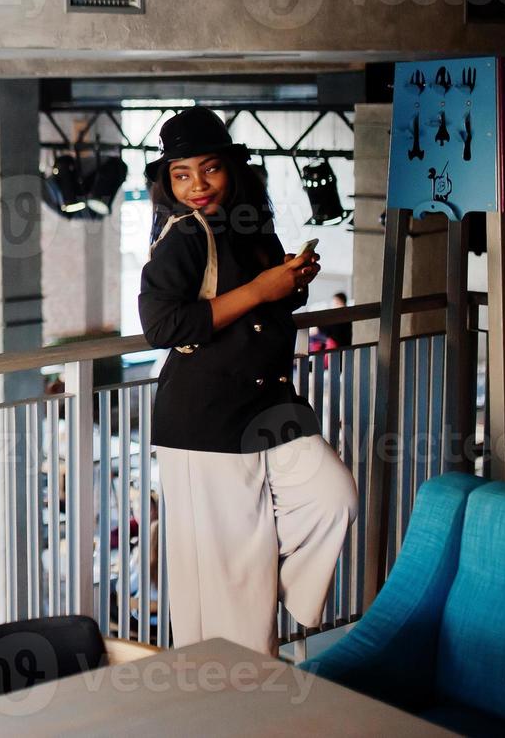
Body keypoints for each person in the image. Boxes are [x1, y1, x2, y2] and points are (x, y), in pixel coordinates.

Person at [137, 107, 357, 656]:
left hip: (268, 403)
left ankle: (279, 598)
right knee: (232, 588)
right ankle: (232, 697)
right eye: (181, 174)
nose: (197, 186)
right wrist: (261, 289)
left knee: (333, 497)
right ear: (167, 179)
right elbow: (160, 325)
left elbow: (262, 304)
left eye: (209, 170)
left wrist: (290, 281)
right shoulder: (183, 235)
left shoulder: (251, 222)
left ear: (232, 169)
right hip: (205, 419)